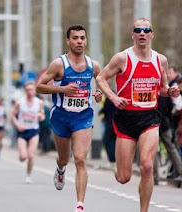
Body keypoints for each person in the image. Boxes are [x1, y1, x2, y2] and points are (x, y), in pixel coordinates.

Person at [96, 18, 180, 212]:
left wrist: (170, 92)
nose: (142, 33)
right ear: (133, 35)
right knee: (124, 177)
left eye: (146, 30)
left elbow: (163, 88)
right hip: (126, 118)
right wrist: (113, 97)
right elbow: (100, 78)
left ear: (152, 34)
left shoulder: (161, 60)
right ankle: (119, 171)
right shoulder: (122, 58)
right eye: (138, 30)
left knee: (147, 166)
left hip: (150, 117)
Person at [36, 24, 102, 212]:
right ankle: (60, 169)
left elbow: (102, 82)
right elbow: (39, 87)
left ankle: (80, 205)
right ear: (68, 41)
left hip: (83, 117)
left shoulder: (93, 65)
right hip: (61, 117)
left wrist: (98, 94)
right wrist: (62, 89)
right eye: (75, 38)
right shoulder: (59, 64)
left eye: (82, 38)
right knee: (64, 158)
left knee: (80, 159)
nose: (79, 41)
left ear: (86, 40)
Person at [11, 81, 45, 183]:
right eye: (27, 90)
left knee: (30, 156)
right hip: (22, 131)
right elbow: (12, 115)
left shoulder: (39, 103)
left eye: (31, 89)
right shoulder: (19, 102)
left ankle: (28, 176)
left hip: (34, 130)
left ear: (34, 90)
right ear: (25, 91)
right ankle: (22, 156)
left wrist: (41, 116)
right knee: (23, 157)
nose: (29, 92)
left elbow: (42, 116)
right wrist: (18, 125)